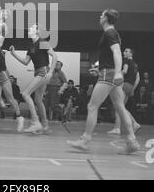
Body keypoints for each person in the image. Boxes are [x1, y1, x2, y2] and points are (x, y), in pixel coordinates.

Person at [67, 9, 140, 154]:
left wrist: (118, 72)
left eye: (102, 15)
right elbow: (110, 56)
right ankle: (132, 140)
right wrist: (101, 70)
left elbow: (117, 53)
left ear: (106, 18)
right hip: (110, 73)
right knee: (119, 106)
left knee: (92, 106)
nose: (100, 17)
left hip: (109, 75)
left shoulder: (110, 33)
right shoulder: (112, 34)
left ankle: (85, 140)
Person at [10, 24, 57, 133]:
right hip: (38, 72)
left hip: (43, 71)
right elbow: (26, 62)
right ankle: (45, 125)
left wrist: (50, 72)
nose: (29, 28)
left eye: (32, 27)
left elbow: (54, 56)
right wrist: (13, 54)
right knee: (38, 100)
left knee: (25, 94)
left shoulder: (42, 42)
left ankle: (35, 122)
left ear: (37, 31)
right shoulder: (31, 46)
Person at [107, 48, 141, 135]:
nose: (124, 52)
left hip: (125, 85)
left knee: (119, 107)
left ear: (131, 54)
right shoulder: (136, 64)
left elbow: (124, 71)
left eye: (126, 51)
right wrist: (133, 88)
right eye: (124, 51)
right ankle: (135, 124)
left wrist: (116, 75)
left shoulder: (126, 61)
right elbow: (138, 78)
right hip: (131, 87)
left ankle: (117, 128)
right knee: (122, 108)